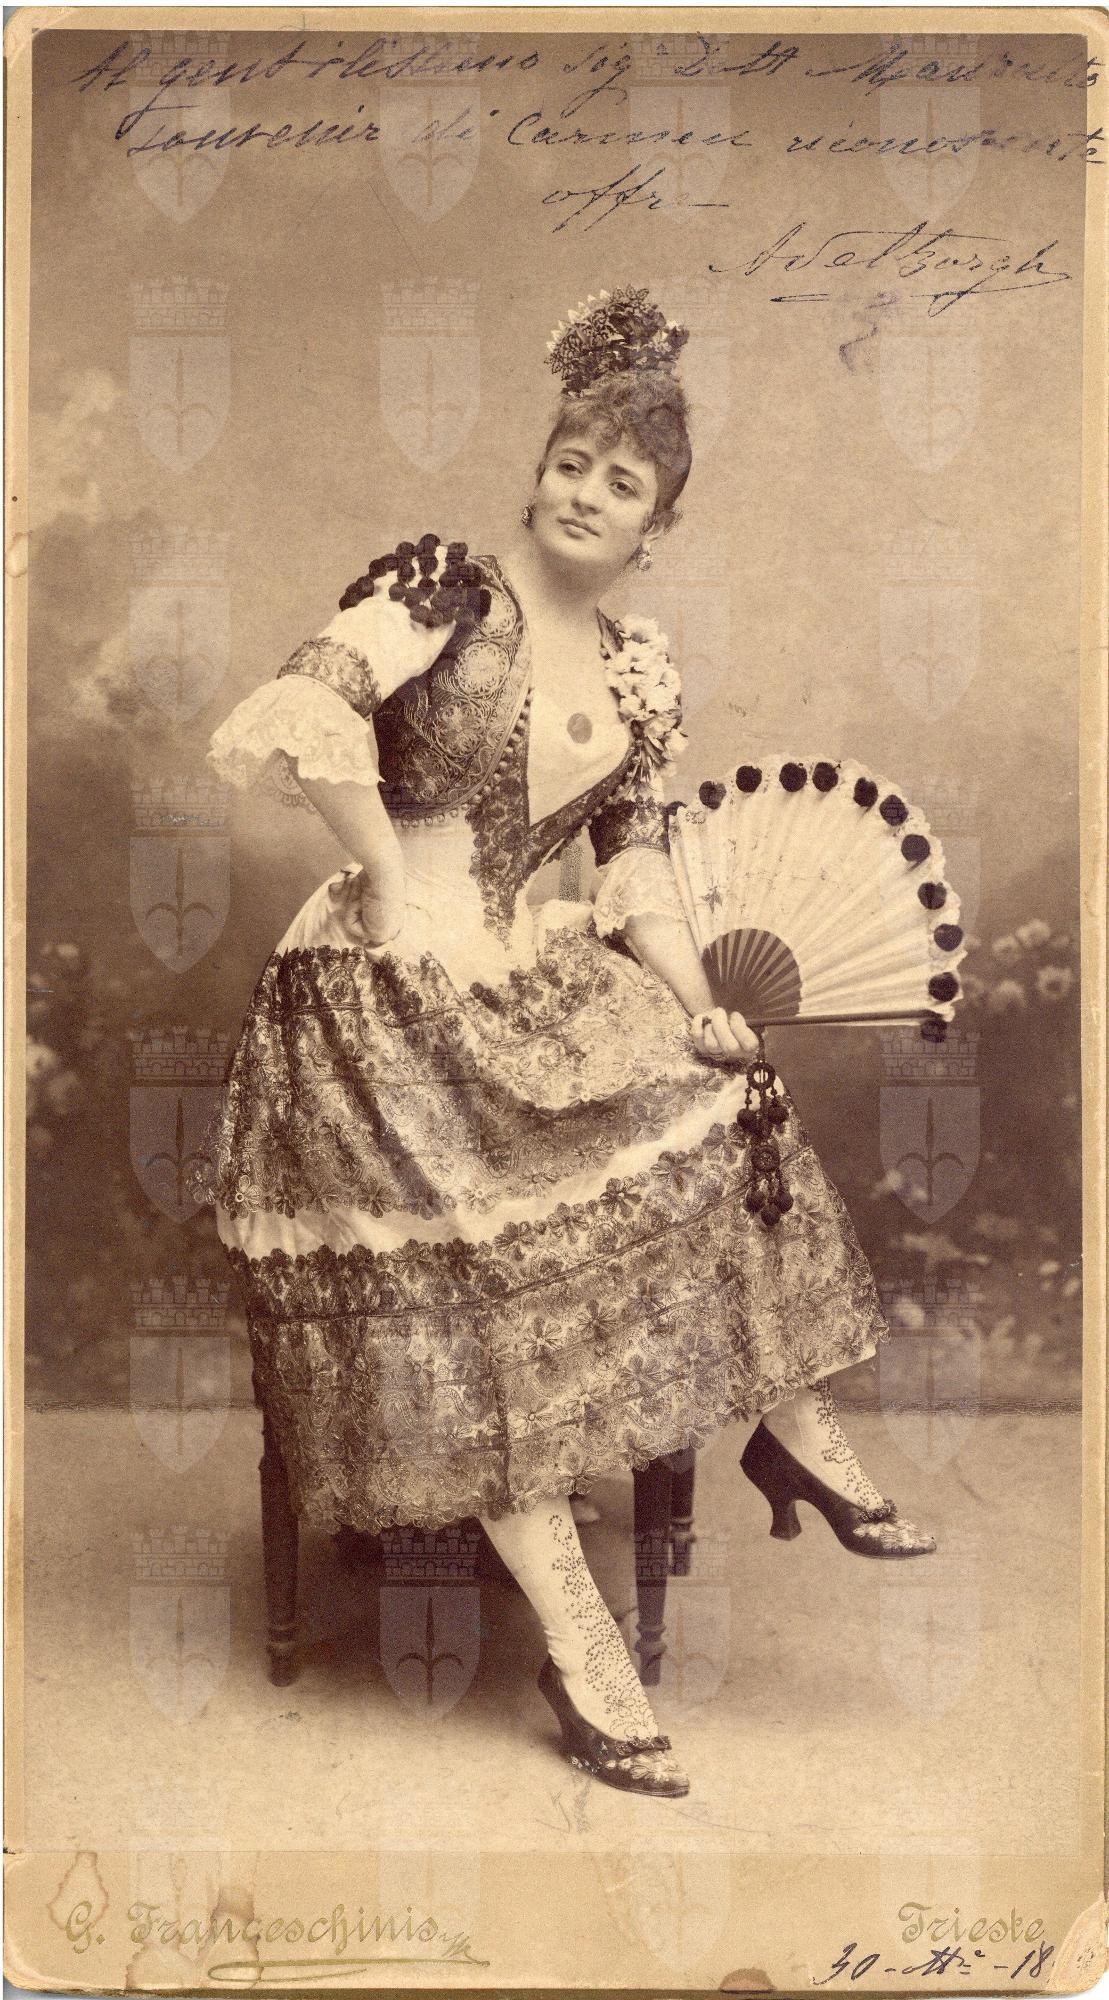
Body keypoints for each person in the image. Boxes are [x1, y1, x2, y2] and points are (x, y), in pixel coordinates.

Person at [197, 287, 935, 1803]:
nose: (587, 495)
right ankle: (583, 1646)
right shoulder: (448, 595)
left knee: (726, 1092)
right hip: (369, 990)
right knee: (475, 1261)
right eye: (571, 465)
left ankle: (792, 1423)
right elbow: (308, 703)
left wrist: (697, 1001)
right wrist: (385, 876)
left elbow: (636, 864)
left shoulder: (638, 670)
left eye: (624, 483)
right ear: (537, 473)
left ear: (659, 523)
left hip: (511, 967)